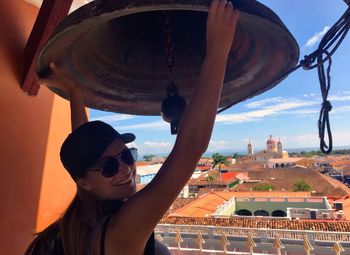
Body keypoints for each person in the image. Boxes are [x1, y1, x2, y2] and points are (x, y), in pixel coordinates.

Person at [25, 0, 239, 254]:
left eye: (127, 155)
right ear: (83, 183)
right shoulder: (122, 229)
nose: (125, 168)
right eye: (109, 167)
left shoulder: (76, 225)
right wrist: (218, 50)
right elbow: (189, 147)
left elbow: (81, 144)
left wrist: (75, 93)